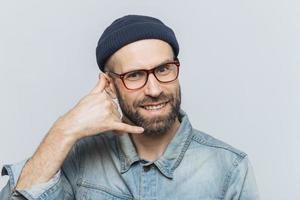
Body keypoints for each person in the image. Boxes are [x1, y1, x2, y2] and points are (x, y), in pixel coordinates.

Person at [0, 15, 260, 199]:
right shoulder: (77, 159)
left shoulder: (229, 167)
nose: (155, 89)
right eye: (134, 75)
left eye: (163, 69)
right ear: (109, 85)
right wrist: (65, 129)